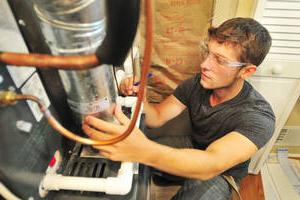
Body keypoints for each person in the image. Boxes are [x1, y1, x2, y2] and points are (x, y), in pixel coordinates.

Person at [82, 18, 275, 200]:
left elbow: (211, 163)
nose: (204, 65)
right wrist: (138, 96)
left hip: (221, 172)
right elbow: (156, 117)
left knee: (197, 187)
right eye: (207, 53)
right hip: (195, 145)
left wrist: (143, 151)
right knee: (144, 152)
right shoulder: (197, 84)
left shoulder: (259, 117)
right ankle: (168, 174)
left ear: (246, 71)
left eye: (220, 60)